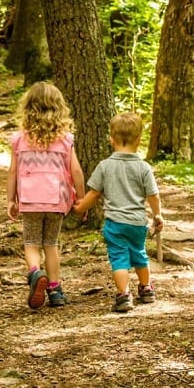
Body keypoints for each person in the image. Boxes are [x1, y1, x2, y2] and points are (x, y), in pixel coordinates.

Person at [72, 112, 163, 312]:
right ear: (139, 140)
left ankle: (124, 295)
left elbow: (94, 194)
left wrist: (79, 208)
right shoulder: (144, 167)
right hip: (138, 223)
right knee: (140, 255)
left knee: (119, 258)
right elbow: (153, 195)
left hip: (115, 223)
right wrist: (157, 215)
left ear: (111, 140)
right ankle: (146, 288)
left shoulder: (105, 166)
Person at [7, 81, 85, 309]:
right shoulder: (65, 139)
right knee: (51, 244)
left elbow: (12, 171)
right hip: (57, 198)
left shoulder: (19, 139)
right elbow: (76, 170)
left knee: (31, 242)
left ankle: (34, 274)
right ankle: (55, 290)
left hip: (30, 200)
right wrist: (80, 198)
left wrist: (11, 200)